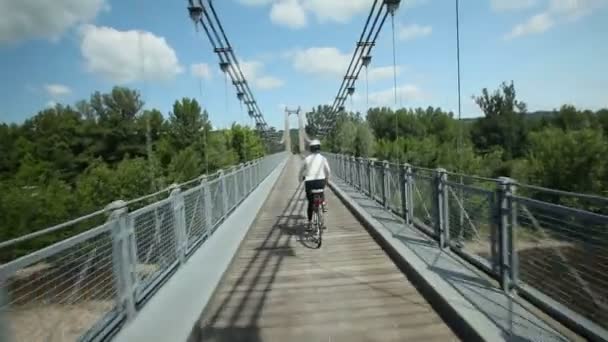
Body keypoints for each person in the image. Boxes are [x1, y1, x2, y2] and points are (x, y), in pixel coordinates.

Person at [299, 139, 331, 230]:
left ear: (310, 149)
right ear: (319, 148)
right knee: (321, 192)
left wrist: (300, 179)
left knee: (310, 203)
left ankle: (309, 223)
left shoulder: (306, 159)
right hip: (321, 181)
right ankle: (323, 203)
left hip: (309, 182)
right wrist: (327, 179)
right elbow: (328, 171)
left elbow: (301, 172)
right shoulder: (323, 158)